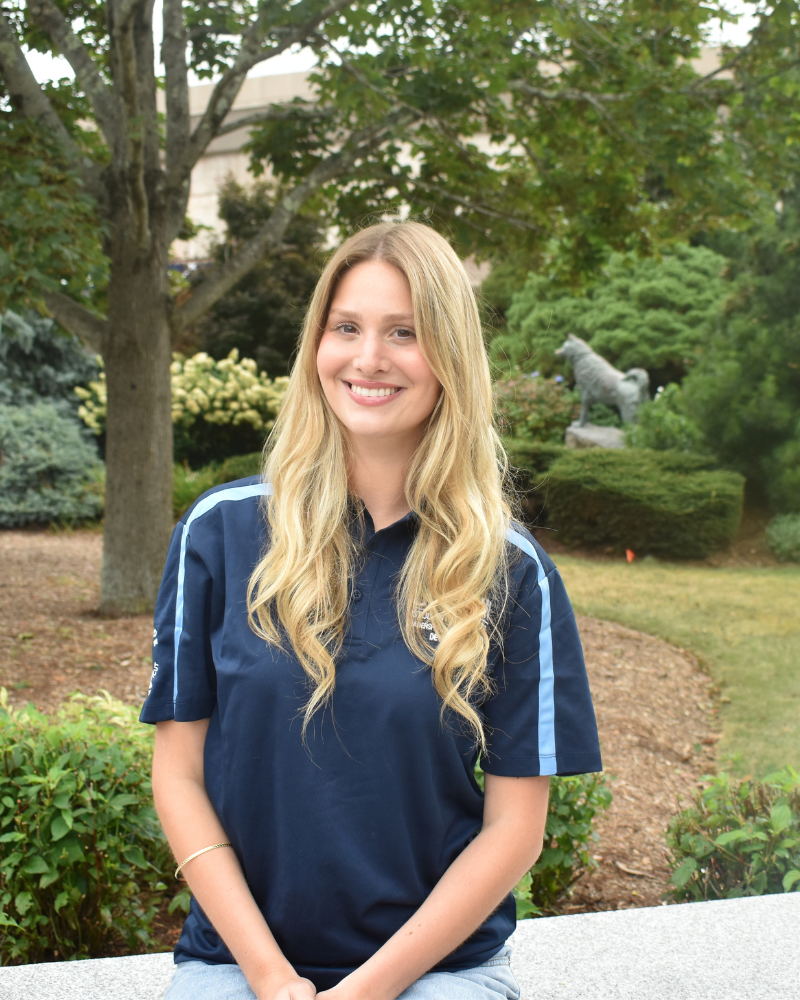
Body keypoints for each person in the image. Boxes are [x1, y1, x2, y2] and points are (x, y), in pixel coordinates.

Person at [142, 221, 602, 1000]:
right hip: (235, 963)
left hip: (435, 972)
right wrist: (271, 977)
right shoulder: (216, 535)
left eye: (405, 333)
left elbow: (515, 831)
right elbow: (178, 778)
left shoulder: (510, 573)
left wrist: (363, 992)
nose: (368, 358)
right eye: (346, 328)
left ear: (450, 357)